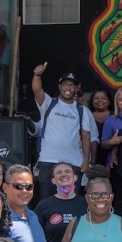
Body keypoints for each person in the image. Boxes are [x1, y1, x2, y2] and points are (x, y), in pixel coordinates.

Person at [31, 64, 96, 199]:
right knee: (47, 198)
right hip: (49, 160)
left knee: (71, 199)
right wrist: (37, 75)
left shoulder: (81, 110)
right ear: (59, 87)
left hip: (73, 163)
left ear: (76, 89)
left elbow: (86, 137)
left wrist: (85, 160)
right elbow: (37, 90)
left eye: (72, 86)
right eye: (65, 84)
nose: (68, 88)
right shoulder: (49, 103)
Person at [3, 165, 46, 242]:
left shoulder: (33, 216)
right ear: (5, 187)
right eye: (18, 186)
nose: (24, 191)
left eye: (29, 187)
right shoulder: (1, 219)